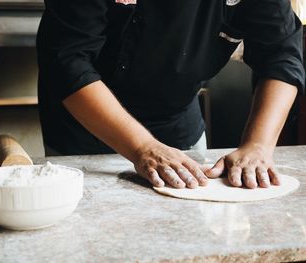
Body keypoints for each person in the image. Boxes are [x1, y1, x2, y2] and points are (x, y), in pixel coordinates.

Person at [36, 0, 305, 189]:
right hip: (89, 129)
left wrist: (258, 146)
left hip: (178, 126)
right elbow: (68, 62)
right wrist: (143, 147)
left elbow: (281, 55)